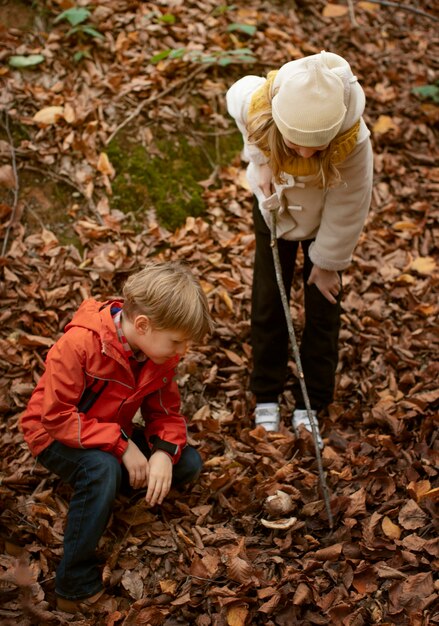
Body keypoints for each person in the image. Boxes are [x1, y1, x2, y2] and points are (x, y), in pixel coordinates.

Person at [20, 260, 213, 613]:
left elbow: (166, 415)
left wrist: (161, 454)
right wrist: (122, 446)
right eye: (177, 342)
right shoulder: (79, 344)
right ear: (143, 324)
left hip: (108, 432)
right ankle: (72, 583)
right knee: (102, 469)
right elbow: (55, 416)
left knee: (188, 462)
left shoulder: (158, 357)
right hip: (54, 436)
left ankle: (106, 490)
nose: (181, 352)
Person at [226, 51, 373, 443]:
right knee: (268, 300)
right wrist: (257, 160)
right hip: (275, 213)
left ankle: (313, 400)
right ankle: (267, 392)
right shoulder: (262, 102)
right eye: (296, 143)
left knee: (322, 307)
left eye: (316, 146)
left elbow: (350, 203)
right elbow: (236, 97)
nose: (306, 154)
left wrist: (326, 262)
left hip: (324, 224)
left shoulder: (353, 140)